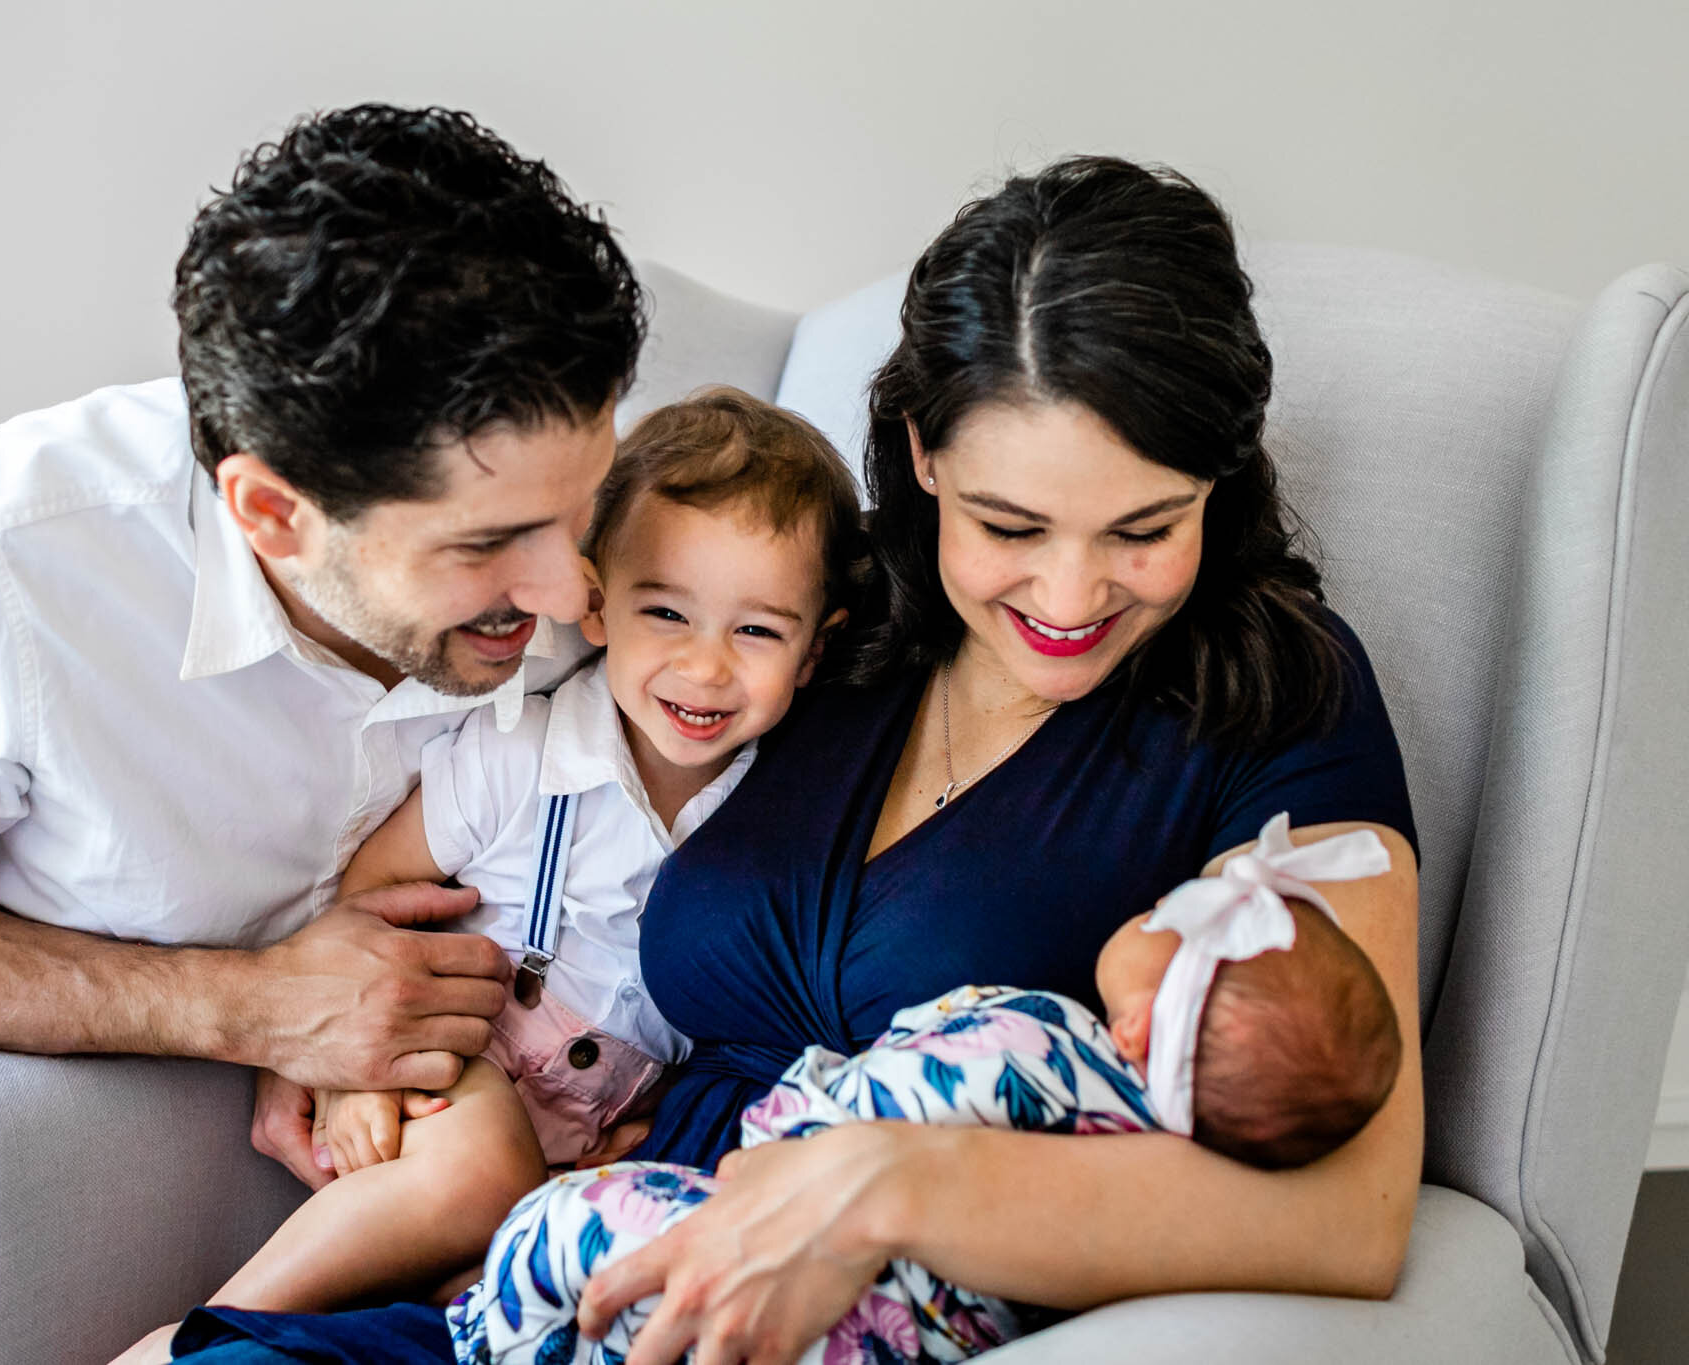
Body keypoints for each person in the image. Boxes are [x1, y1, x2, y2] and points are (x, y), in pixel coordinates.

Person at [163, 154, 1422, 1365]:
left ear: (1219, 482)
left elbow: (1348, 1218)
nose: (1068, 592)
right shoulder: (799, 625)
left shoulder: (1278, 696)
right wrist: (303, 1028)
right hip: (570, 1269)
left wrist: (891, 1182)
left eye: (1143, 529)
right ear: (924, 456)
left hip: (846, 1312)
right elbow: (509, 758)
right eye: (1007, 524)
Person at [0, 104, 644, 1358]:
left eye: (582, 508)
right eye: (487, 549)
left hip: (378, 1145)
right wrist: (254, 1008)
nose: (570, 595)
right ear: (270, 513)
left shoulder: (608, 542)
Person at [109, 389, 864, 1364]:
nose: (704, 666)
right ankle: (199, 1334)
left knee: (505, 1290)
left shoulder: (786, 809)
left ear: (815, 648)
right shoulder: (519, 754)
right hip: (462, 1047)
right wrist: (340, 1060)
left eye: (756, 631)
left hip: (592, 1124)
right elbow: (376, 883)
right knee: (474, 1178)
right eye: (665, 612)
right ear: (594, 602)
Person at [448, 813, 1405, 1364]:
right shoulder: (1144, 1140)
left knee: (568, 1222)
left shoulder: (1039, 1045)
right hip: (893, 1334)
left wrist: (796, 1138)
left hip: (768, 1246)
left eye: (1173, 912)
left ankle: (486, 1320)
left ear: (1147, 1023)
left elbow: (894, 1099)